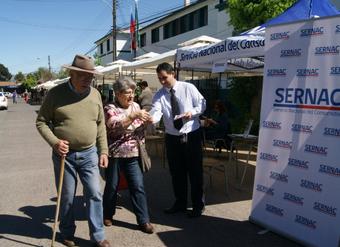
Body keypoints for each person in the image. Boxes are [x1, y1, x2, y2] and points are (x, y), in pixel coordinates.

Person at [36, 54, 111, 247]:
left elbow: (101, 125)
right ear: (72, 73)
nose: (88, 79)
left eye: (91, 76)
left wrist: (103, 151)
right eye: (83, 75)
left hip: (89, 153)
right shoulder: (55, 94)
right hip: (64, 155)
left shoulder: (95, 94)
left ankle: (98, 236)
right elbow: (41, 122)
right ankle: (67, 232)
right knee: (67, 197)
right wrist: (54, 142)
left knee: (94, 192)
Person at [150, 62, 206, 218]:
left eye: (164, 78)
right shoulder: (159, 95)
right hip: (172, 138)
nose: (162, 81)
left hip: (191, 135)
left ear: (172, 73)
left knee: (195, 173)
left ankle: (197, 205)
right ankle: (180, 203)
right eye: (159, 78)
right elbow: (156, 113)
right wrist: (149, 119)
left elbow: (202, 105)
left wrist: (192, 112)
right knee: (177, 173)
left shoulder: (188, 88)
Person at [102, 76, 154, 234]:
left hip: (133, 154)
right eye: (127, 93)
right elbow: (114, 127)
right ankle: (108, 214)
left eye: (133, 92)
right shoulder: (109, 108)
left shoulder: (136, 105)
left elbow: (139, 129)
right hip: (115, 154)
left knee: (137, 186)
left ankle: (143, 220)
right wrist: (133, 116)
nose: (131, 96)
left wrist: (146, 122)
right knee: (112, 186)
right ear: (117, 94)